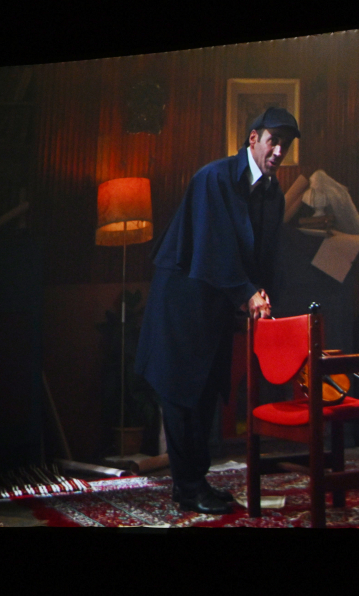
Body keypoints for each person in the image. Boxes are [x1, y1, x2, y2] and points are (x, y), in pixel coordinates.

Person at [134, 107, 300, 514]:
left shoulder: (274, 193)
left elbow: (266, 255)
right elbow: (214, 244)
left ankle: (194, 483)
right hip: (182, 299)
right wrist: (247, 293)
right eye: (273, 141)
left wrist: (263, 293)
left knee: (208, 390)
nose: (279, 151)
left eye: (285, 144)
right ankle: (189, 487)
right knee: (181, 393)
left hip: (219, 302)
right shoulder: (214, 178)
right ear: (253, 139)